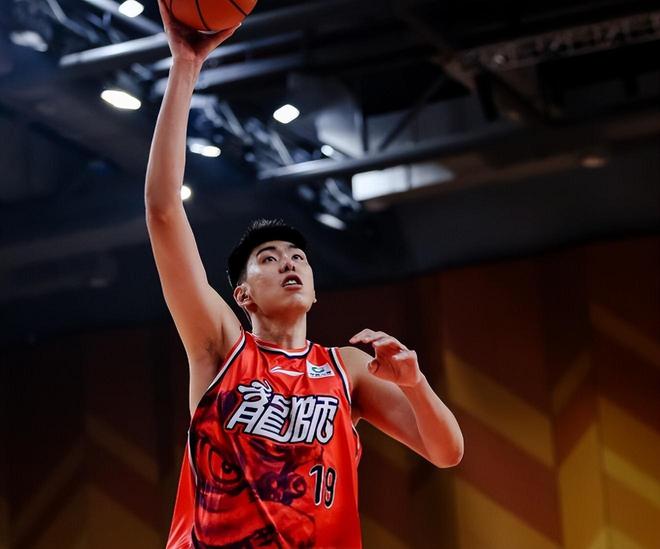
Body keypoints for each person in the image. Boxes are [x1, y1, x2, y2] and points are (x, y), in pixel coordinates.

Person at [145, 2, 464, 547]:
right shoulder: (221, 348)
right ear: (243, 294)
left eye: (296, 256)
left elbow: (446, 452)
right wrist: (185, 66)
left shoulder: (348, 368)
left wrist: (415, 385)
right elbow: (163, 211)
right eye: (268, 258)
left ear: (314, 291)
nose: (288, 261)